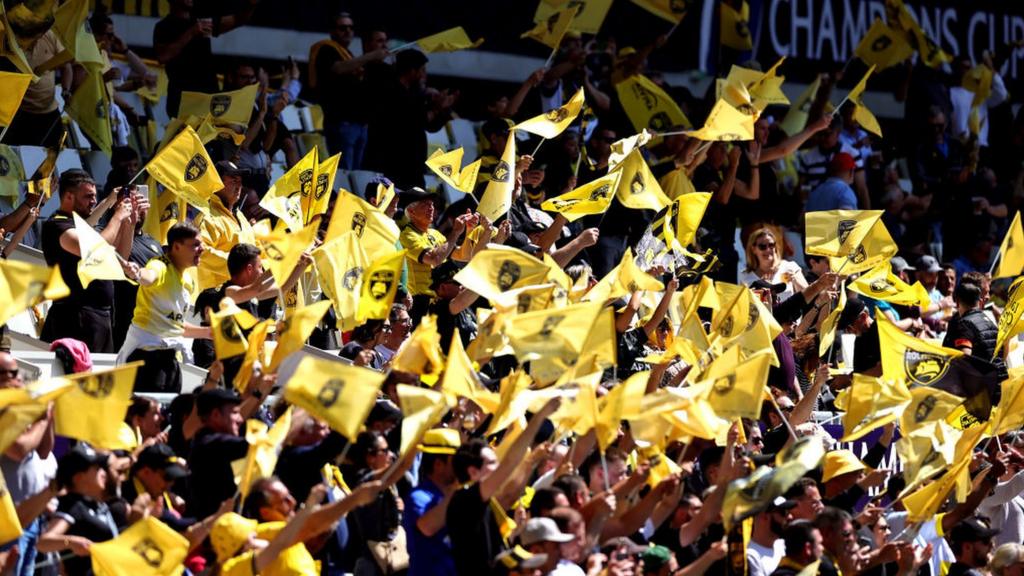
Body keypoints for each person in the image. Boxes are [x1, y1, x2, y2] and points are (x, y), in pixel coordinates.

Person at [447, 399, 560, 575]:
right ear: (473, 472)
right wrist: (539, 417)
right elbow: (508, 464)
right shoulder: (465, 500)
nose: (498, 466)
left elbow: (511, 495)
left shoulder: (485, 502)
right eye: (492, 462)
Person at [40, 170, 139, 353]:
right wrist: (117, 216)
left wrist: (129, 223)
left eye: (95, 196)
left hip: (101, 319)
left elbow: (120, 258)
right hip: (74, 318)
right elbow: (95, 250)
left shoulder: (85, 229)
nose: (93, 201)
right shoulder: (57, 225)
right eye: (88, 196)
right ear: (69, 196)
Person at [116, 222, 211, 364]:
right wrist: (137, 273)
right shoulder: (160, 266)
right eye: (196, 244)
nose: (202, 249)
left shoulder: (188, 281)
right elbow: (149, 276)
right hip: (144, 355)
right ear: (177, 246)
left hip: (169, 358)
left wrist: (210, 333)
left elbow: (176, 325)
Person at [363, 50, 457, 188]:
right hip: (394, 164)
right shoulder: (391, 92)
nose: (424, 75)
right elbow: (412, 121)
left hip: (413, 167)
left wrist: (443, 109)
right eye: (422, 70)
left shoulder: (415, 94)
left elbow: (431, 127)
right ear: (412, 71)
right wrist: (436, 108)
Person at [308, 12, 389, 168]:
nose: (348, 31)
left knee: (355, 173)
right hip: (342, 123)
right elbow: (338, 69)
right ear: (332, 31)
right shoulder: (327, 49)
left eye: (351, 28)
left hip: (359, 123)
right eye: (342, 28)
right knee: (344, 172)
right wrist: (370, 56)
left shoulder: (347, 54)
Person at [154, 0, 260, 116]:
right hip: (182, 101)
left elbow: (237, 20)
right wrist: (191, 33)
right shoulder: (163, 26)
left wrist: (251, 5)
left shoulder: (201, 22)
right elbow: (163, 56)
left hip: (208, 97)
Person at [0, 351, 55, 576]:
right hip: (7, 521)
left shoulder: (21, 408)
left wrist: (48, 414)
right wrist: (41, 420)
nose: (16, 379)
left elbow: (44, 450)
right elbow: (19, 449)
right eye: (10, 374)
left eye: (16, 373)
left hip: (31, 517)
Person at [37, 444, 117, 576]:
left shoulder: (95, 504)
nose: (103, 473)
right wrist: (72, 542)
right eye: (96, 469)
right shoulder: (73, 506)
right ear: (78, 478)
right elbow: (43, 542)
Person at [399, 187, 473, 323]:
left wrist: (468, 230)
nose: (431, 208)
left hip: (443, 300)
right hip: (423, 305)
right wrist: (455, 232)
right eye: (425, 204)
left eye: (432, 204)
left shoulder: (434, 233)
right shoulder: (407, 235)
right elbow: (435, 259)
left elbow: (464, 255)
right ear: (411, 211)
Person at [404, 429, 461, 576]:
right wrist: (457, 489)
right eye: (455, 461)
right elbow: (427, 527)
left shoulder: (452, 495)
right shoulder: (418, 496)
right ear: (438, 464)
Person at [3, 29, 70, 148]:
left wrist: (66, 90)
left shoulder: (50, 35)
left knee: (56, 153)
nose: (36, 39)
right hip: (20, 114)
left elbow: (66, 66)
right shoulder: (9, 42)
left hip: (50, 112)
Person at [196, 161, 256, 291]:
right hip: (217, 296)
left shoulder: (240, 216)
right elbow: (201, 251)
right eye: (234, 181)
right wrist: (238, 264)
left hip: (244, 294)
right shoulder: (208, 215)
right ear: (218, 183)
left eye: (240, 181)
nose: (239, 186)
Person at [738, 227, 807, 302]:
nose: (768, 249)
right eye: (762, 246)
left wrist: (795, 280)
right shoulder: (744, 276)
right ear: (753, 249)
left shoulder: (790, 267)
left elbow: (809, 296)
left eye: (771, 245)